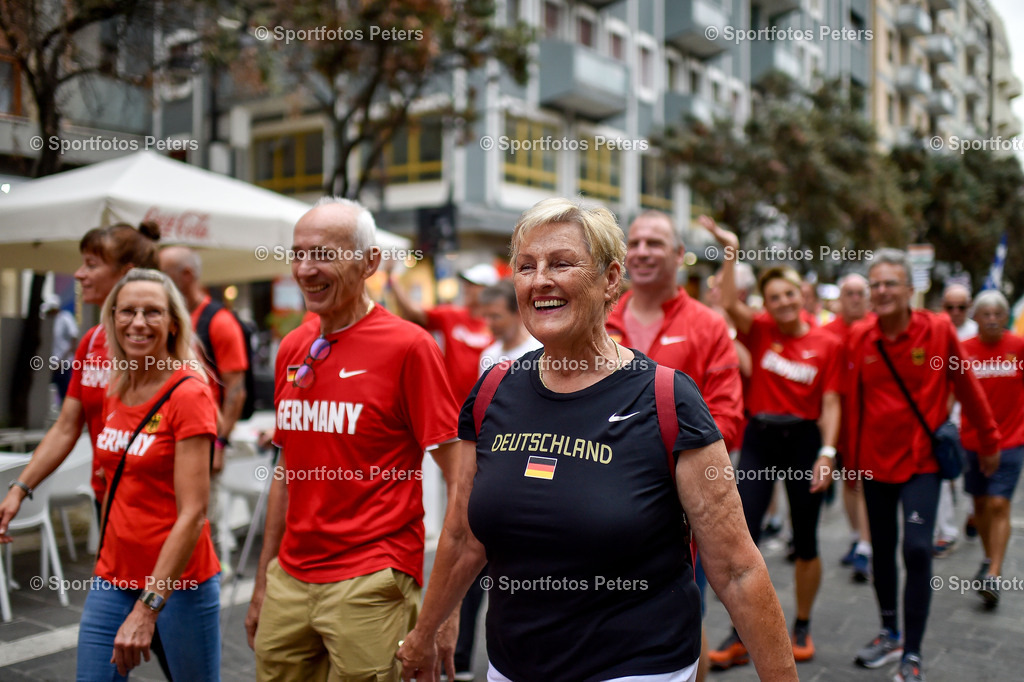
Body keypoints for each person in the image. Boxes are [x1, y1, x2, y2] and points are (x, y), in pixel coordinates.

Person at [397, 198, 797, 682]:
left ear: (610, 280)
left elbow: (737, 570)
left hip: (637, 668)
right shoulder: (491, 391)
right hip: (511, 667)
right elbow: (462, 538)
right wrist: (425, 631)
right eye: (526, 266)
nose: (540, 280)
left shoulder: (668, 398)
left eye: (561, 263)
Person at [245, 197, 461, 681]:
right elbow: (286, 472)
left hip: (372, 578)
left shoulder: (410, 347)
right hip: (290, 578)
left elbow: (462, 480)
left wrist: (444, 611)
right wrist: (263, 582)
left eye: (323, 254)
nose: (305, 269)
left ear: (369, 262)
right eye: (298, 254)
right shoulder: (293, 347)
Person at [2, 268, 221, 679]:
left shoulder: (189, 393)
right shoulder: (117, 385)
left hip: (179, 582)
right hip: (114, 574)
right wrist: (19, 489)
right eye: (127, 311)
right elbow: (69, 431)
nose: (138, 322)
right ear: (112, 319)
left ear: (173, 323)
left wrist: (147, 608)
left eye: (152, 312)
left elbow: (193, 514)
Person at [845, 249, 1000, 682]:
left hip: (921, 462)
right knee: (881, 550)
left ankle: (912, 653)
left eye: (890, 283)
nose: (882, 291)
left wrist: (989, 440)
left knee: (916, 548)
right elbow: (853, 401)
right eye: (876, 284)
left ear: (910, 289)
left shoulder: (937, 330)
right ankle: (889, 632)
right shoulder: (860, 336)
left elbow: (966, 386)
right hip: (875, 462)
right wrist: (850, 462)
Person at [606, 210, 744, 681]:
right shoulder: (600, 320)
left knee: (684, 614)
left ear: (680, 255)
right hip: (602, 497)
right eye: (635, 243)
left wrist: (668, 467)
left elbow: (727, 418)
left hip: (680, 504)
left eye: (655, 243)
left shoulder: (708, 325)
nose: (642, 252)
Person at [702, 218, 841, 669]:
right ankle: (742, 633)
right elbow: (727, 301)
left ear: (803, 295)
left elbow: (832, 402)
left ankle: (801, 624)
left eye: (789, 294)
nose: (782, 302)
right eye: (774, 296)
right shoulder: (760, 327)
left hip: (804, 440)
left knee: (806, 539)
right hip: (760, 437)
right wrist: (731, 249)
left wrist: (828, 453)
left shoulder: (827, 342)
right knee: (743, 538)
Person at [451, 280, 541, 681]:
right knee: (470, 564)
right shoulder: (489, 355)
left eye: (496, 316)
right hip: (495, 466)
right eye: (485, 317)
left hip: (528, 472)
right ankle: (460, 659)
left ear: (516, 312)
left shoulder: (537, 353)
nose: (490, 324)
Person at [159, 246, 250, 573]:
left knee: (202, 519)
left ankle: (207, 578)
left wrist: (220, 444)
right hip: (171, 438)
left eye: (164, 273)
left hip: (205, 439)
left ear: (186, 275)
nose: (158, 279)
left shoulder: (219, 322)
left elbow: (236, 391)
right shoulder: (168, 318)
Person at [960, 291, 1024, 608]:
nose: (993, 319)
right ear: (976, 318)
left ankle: (994, 574)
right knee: (981, 504)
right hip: (972, 442)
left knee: (999, 504)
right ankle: (989, 557)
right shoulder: (964, 350)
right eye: (986, 314)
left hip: (1011, 439)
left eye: (998, 313)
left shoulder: (1018, 347)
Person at [822, 274, 874, 583]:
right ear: (840, 298)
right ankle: (858, 537)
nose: (855, 298)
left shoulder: (877, 329)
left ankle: (866, 546)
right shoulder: (827, 333)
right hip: (837, 423)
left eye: (859, 293)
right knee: (848, 481)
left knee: (863, 481)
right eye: (849, 293)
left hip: (869, 421)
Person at [389, 262, 496, 406]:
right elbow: (412, 312)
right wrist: (392, 279)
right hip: (451, 406)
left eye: (473, 285)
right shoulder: (451, 315)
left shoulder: (498, 324)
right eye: (466, 284)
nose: (466, 288)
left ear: (488, 290)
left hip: (485, 407)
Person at [933, 283, 977, 556]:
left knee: (972, 472)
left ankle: (974, 511)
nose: (956, 312)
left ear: (969, 306)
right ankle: (946, 532)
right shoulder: (935, 332)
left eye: (961, 307)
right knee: (942, 474)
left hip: (972, 416)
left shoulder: (977, 332)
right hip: (944, 416)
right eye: (950, 307)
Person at [43, 294, 79, 404]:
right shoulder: (48, 322)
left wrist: (63, 360)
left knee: (66, 393)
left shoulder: (65, 318)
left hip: (64, 364)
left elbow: (74, 339)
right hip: (50, 364)